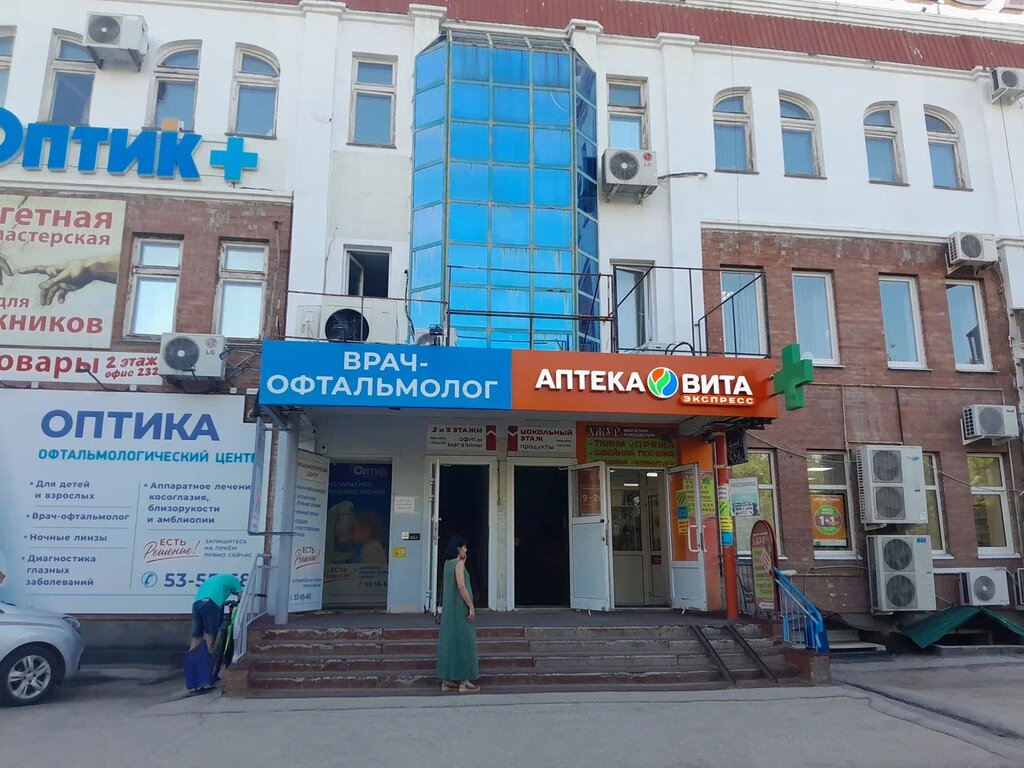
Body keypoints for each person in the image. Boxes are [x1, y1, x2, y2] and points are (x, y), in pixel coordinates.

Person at [435, 535, 479, 694]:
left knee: (450, 642)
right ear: (458, 549)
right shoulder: (458, 564)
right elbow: (461, 586)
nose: (466, 550)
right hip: (460, 609)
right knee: (464, 642)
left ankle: (447, 680)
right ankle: (464, 681)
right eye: (464, 547)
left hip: (449, 610)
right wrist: (471, 606)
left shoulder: (447, 564)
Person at [189, 573, 243, 653]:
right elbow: (241, 597)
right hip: (210, 603)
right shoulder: (235, 581)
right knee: (210, 634)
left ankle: (191, 659)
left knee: (196, 637)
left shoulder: (214, 579)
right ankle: (209, 657)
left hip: (196, 603)